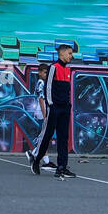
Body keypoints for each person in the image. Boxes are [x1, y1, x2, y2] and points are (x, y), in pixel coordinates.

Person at [26, 45, 76, 179]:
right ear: (63, 54)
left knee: (63, 138)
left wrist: (68, 105)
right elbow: (48, 87)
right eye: (70, 53)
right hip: (55, 108)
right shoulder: (53, 68)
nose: (71, 56)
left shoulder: (68, 70)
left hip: (65, 109)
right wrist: (51, 105)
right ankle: (36, 160)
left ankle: (62, 168)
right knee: (47, 136)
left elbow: (67, 90)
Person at [29, 63, 55, 170]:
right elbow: (41, 99)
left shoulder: (44, 83)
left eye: (47, 73)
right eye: (44, 72)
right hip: (41, 111)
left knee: (45, 136)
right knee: (45, 136)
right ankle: (39, 156)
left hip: (43, 111)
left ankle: (36, 153)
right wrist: (45, 114)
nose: (46, 74)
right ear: (39, 73)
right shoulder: (41, 83)